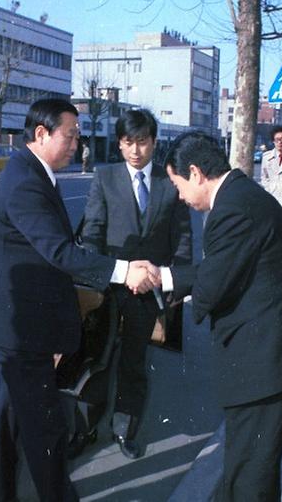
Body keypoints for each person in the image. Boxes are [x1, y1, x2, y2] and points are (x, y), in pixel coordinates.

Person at [0, 98, 158, 502]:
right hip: (21, 331)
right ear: (42, 133)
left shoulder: (34, 172)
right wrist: (124, 271)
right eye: (71, 136)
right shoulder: (23, 181)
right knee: (44, 427)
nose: (78, 145)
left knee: (5, 418)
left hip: (17, 325)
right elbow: (60, 252)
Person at [159, 132, 282, 501]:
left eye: (177, 184)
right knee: (248, 466)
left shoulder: (233, 208)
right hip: (276, 353)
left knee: (250, 475)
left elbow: (212, 286)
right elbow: (227, 266)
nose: (179, 195)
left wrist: (162, 278)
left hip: (265, 362)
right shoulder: (240, 196)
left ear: (195, 173)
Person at [81, 109, 192, 459]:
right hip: (109, 289)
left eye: (142, 142)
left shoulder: (167, 182)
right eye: (128, 142)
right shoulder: (105, 177)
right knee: (96, 362)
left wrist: (176, 288)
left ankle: (124, 431)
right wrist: (99, 278)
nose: (135, 150)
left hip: (148, 291)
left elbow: (183, 239)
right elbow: (92, 234)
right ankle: (84, 430)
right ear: (119, 144)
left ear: (154, 143)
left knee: (133, 363)